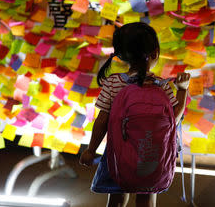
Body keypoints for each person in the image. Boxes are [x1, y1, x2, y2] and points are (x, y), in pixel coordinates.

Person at [80, 22, 190, 207]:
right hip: (152, 153)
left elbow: (102, 121)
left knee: (116, 197)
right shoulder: (162, 85)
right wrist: (182, 90)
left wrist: (91, 150)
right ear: (155, 53)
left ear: (121, 55)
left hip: (118, 150)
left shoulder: (114, 83)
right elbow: (174, 118)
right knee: (146, 195)